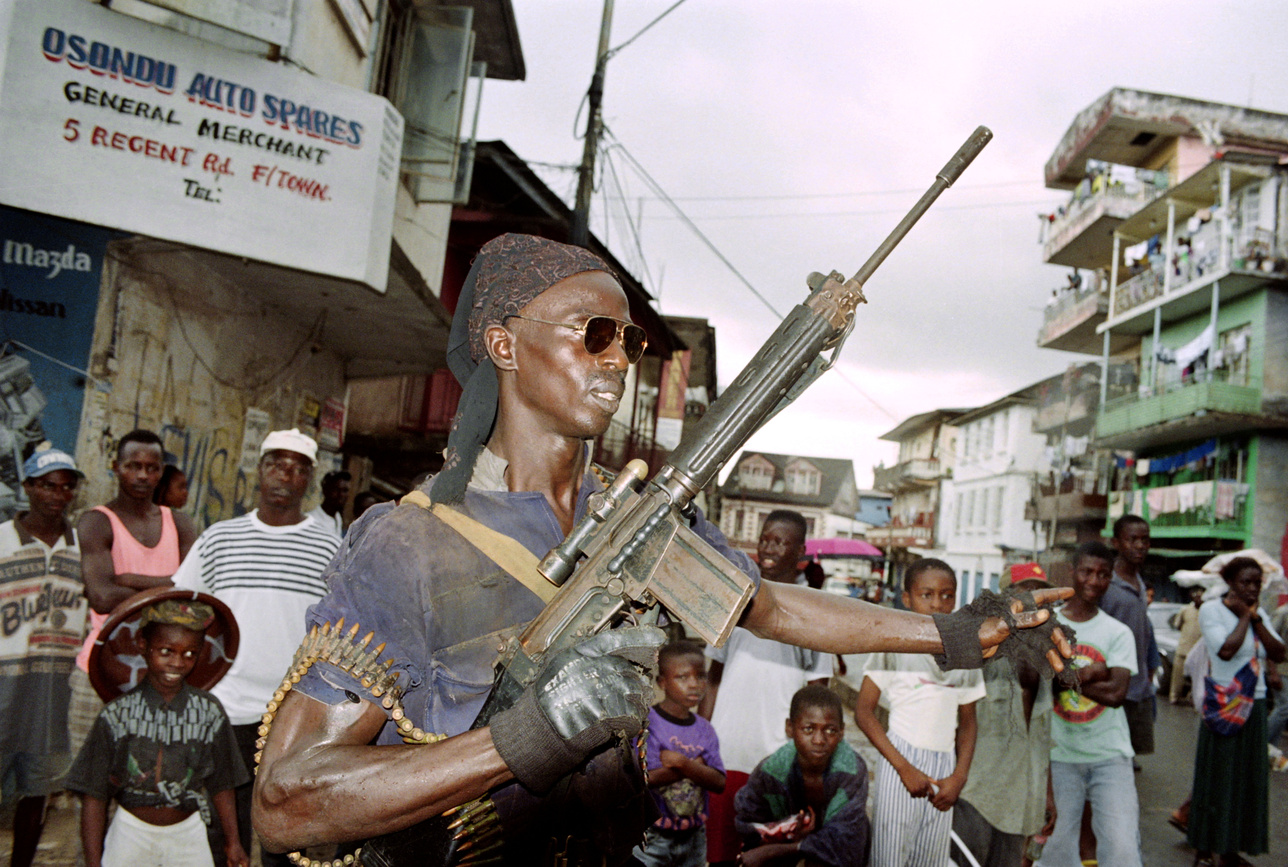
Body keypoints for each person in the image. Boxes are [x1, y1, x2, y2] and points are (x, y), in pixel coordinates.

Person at [251, 234, 1070, 867]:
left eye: (628, 343)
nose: (616, 359)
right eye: (593, 334)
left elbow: (772, 604)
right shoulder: (410, 541)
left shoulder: (635, 516)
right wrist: (520, 738)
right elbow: (286, 802)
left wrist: (959, 632)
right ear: (503, 345)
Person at [172, 429, 339, 867]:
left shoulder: (329, 547)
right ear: (259, 471)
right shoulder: (218, 539)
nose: (286, 474)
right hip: (225, 704)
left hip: (296, 709)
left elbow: (342, 628)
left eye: (298, 468)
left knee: (285, 826)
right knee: (224, 821)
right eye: (276, 463)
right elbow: (183, 612)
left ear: (309, 480)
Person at [64, 599, 248, 867]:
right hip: (130, 832)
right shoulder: (117, 714)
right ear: (142, 645)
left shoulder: (208, 711)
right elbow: (95, 794)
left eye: (189, 654)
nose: (177, 662)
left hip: (189, 834)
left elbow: (223, 783)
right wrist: (94, 861)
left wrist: (233, 842)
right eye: (166, 651)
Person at [701, 510, 833, 866]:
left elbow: (818, 696)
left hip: (777, 761)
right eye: (765, 538)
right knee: (720, 854)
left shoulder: (813, 613)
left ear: (801, 550)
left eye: (780, 540)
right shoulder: (736, 600)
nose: (768, 547)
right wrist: (703, 742)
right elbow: (713, 678)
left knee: (767, 856)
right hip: (726, 754)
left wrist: (809, 765)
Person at [74, 430, 197, 756]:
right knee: (87, 787)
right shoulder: (96, 522)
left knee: (149, 786)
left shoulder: (181, 524)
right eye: (133, 465)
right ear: (115, 466)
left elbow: (195, 592)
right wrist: (169, 586)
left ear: (161, 471)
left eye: (152, 468)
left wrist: (129, 578)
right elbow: (100, 596)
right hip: (99, 670)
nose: (143, 475)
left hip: (165, 678)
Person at [856, 558, 984, 867]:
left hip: (945, 768)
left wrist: (959, 777)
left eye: (947, 595)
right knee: (890, 856)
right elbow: (863, 712)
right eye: (926, 595)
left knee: (931, 858)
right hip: (901, 759)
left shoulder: (966, 651)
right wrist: (903, 768)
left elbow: (967, 724)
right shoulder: (894, 646)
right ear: (907, 599)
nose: (938, 604)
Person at [0, 448, 88, 867]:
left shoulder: (82, 547)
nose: (58, 494)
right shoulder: (1, 540)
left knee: (38, 793)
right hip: (4, 687)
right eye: (48, 485)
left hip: (54, 691)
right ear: (29, 487)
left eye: (66, 485)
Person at [1037, 542, 1142, 867]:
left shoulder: (1118, 632)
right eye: (1087, 571)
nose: (1094, 580)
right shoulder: (1048, 625)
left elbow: (1115, 695)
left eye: (1103, 574)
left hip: (1110, 757)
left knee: (1122, 848)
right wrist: (1095, 671)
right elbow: (1041, 685)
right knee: (1056, 849)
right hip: (1059, 757)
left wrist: (1067, 676)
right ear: (1072, 573)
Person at [951, 563, 1056, 867]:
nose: (1035, 603)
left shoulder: (1047, 657)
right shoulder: (981, 648)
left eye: (1041, 595)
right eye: (1027, 594)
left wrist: (1048, 796)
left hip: (1023, 802)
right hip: (977, 795)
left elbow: (1042, 739)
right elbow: (956, 722)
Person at [1188, 557, 1286, 867]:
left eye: (1257, 583)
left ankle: (1231, 848)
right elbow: (1226, 649)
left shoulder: (1260, 615)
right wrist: (1245, 617)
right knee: (1220, 777)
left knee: (1246, 779)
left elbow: (1279, 651)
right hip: (1224, 705)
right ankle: (1209, 846)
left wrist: (1255, 619)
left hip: (1254, 703)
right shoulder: (1211, 610)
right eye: (1246, 582)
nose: (1253, 588)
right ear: (1231, 583)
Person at [733, 684, 868, 867]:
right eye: (808, 729)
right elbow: (747, 821)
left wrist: (780, 849)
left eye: (830, 730)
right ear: (790, 728)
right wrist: (783, 831)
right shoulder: (771, 771)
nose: (819, 740)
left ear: (842, 732)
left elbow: (844, 840)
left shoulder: (851, 770)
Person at [633, 640, 725, 867]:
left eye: (701, 676)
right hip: (653, 837)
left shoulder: (705, 729)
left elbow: (720, 782)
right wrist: (698, 767)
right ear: (662, 682)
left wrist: (681, 763)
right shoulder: (648, 724)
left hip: (694, 836)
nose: (694, 684)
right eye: (682, 677)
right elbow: (647, 779)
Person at [1102, 514, 1158, 760]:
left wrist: (1151, 668)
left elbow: (1144, 628)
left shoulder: (1139, 582)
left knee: (1127, 755)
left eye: (1144, 539)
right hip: (1109, 685)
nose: (1140, 545)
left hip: (1137, 687)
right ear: (1116, 542)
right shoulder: (1105, 582)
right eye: (1132, 539)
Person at [1267, 581, 1288, 768]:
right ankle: (1259, 744)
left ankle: (1271, 751)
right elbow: (1270, 641)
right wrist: (1273, 673)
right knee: (1287, 706)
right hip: (1279, 669)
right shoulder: (1282, 613)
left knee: (1284, 710)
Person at [1170, 586, 1204, 705]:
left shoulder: (1206, 611)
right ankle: (1174, 697)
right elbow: (1177, 625)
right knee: (1177, 676)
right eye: (1196, 595)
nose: (1198, 598)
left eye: (1201, 596)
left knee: (1197, 678)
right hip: (1183, 648)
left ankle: (1193, 699)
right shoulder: (1185, 610)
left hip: (1198, 652)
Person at [307, 470, 351, 538]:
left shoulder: (337, 517)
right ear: (325, 490)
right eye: (336, 490)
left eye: (345, 491)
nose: (341, 495)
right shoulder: (312, 520)